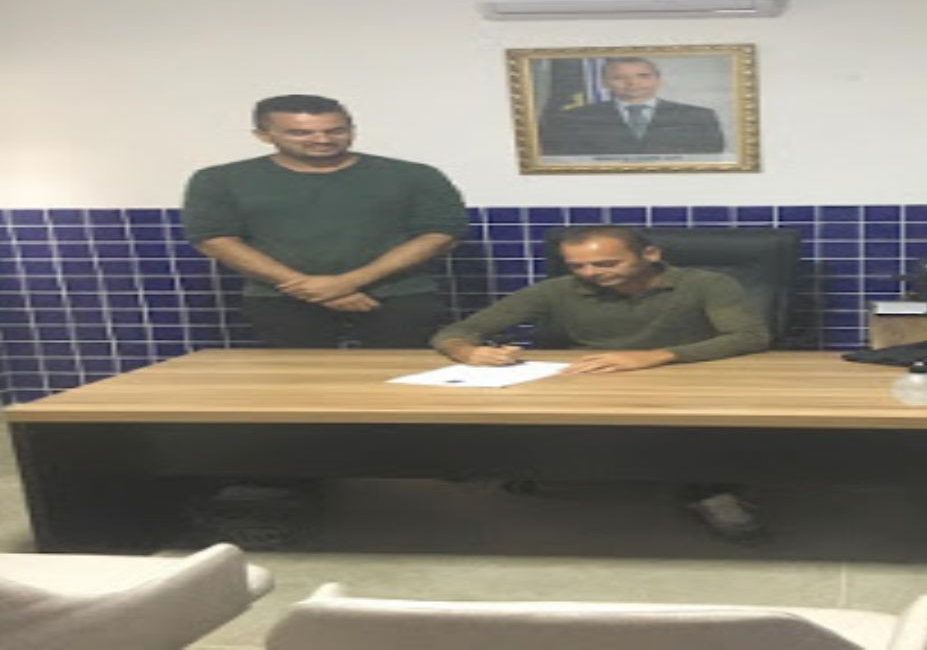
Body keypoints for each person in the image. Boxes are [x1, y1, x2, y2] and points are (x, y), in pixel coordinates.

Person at [430, 226, 771, 541]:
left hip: (686, 380)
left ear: (650, 255)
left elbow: (749, 336)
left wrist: (655, 356)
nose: (590, 273)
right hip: (591, 380)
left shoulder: (706, 284)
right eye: (578, 266)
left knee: (701, 427)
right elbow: (454, 333)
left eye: (606, 263)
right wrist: (469, 351)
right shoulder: (558, 290)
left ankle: (710, 490)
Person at [184, 94, 468, 349]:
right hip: (282, 300)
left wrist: (348, 282)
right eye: (300, 133)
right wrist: (309, 287)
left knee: (402, 381)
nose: (322, 139)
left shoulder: (415, 176)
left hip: (400, 298)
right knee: (299, 384)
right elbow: (215, 240)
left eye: (336, 130)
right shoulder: (219, 180)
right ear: (263, 135)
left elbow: (441, 234)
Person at [538, 58, 725, 156]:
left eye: (643, 76)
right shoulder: (573, 119)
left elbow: (710, 156)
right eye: (619, 77)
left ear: (658, 80)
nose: (632, 83)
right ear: (604, 83)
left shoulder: (698, 116)